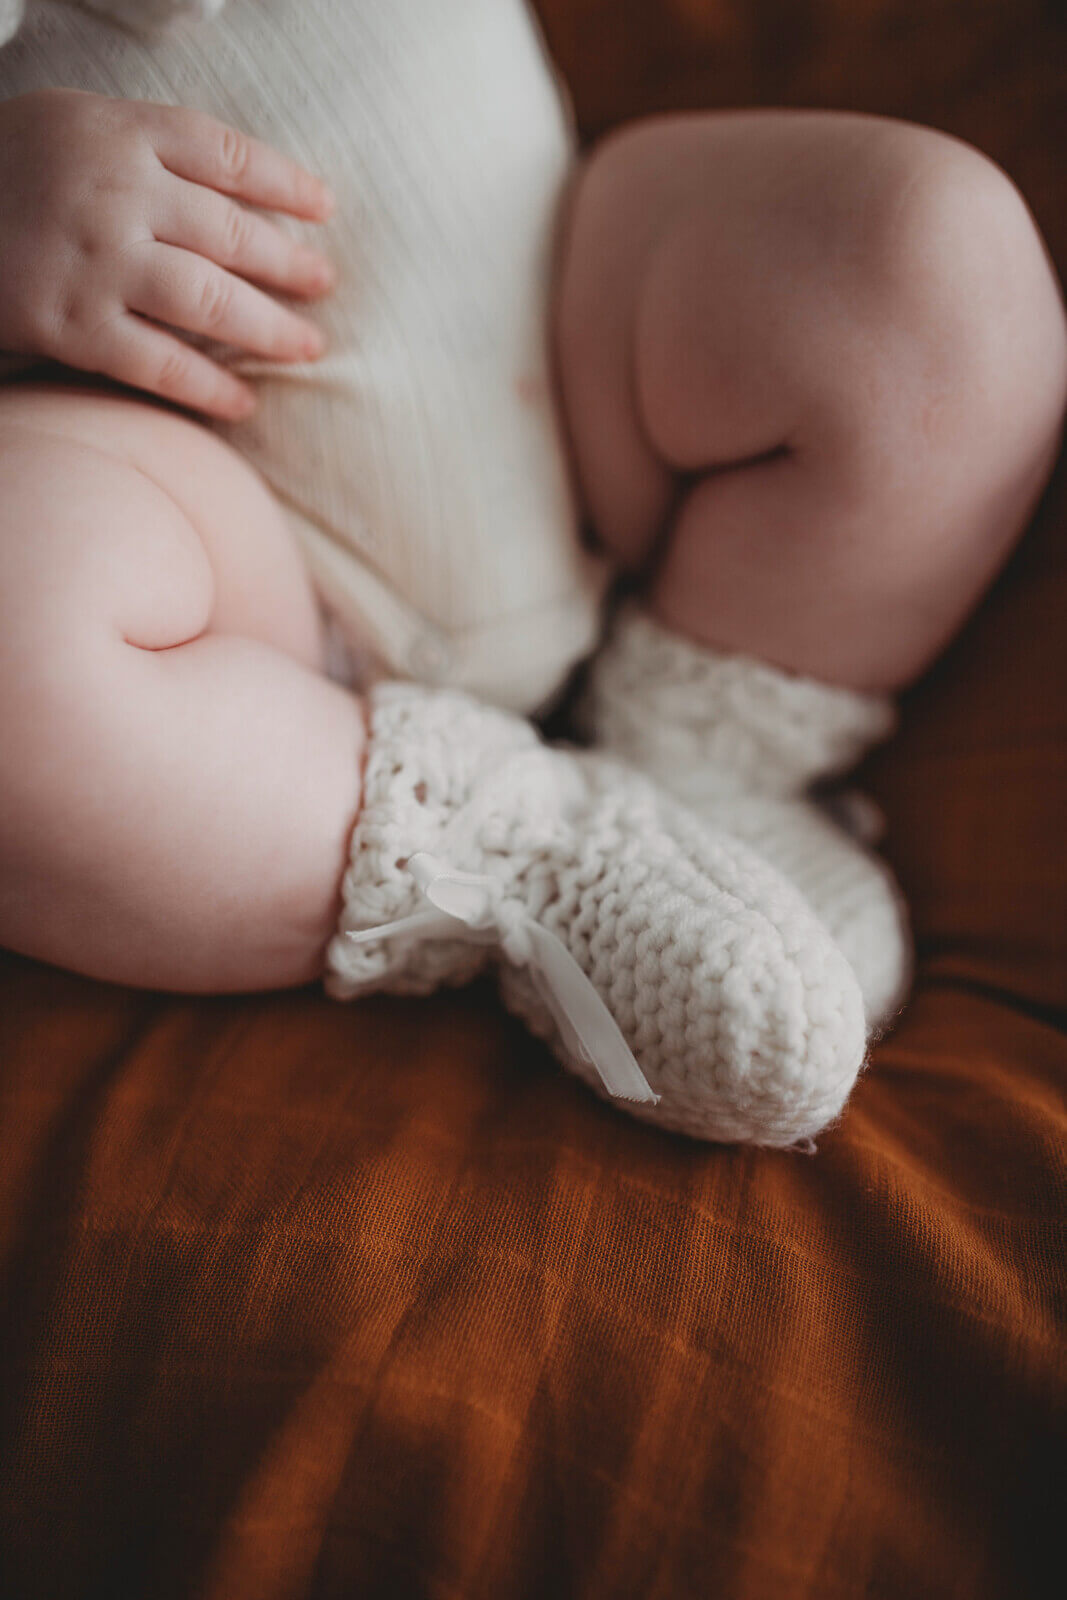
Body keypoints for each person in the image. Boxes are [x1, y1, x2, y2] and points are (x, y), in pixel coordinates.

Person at [0, 0, 1063, 1145]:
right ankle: (527, 860)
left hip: (562, 331)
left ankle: (710, 751)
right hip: (227, 562)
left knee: (936, 255)